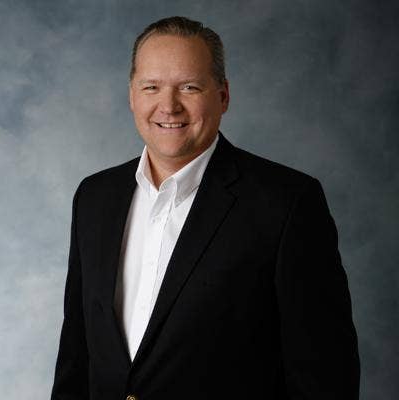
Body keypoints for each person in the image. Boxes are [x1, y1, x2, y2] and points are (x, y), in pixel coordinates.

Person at [51, 16, 360, 400]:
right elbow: (76, 354)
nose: (168, 106)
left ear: (223, 96)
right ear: (132, 95)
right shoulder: (94, 197)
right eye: (151, 87)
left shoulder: (287, 203)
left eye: (189, 87)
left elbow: (325, 376)